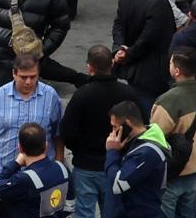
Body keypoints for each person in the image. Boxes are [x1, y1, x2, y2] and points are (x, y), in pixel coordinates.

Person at [58, 45, 143, 218]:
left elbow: (66, 130)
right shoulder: (128, 93)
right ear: (112, 63)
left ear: (89, 66)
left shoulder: (82, 95)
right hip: (117, 164)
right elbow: (141, 126)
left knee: (84, 212)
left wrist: (79, 149)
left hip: (85, 166)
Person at [0, 55, 65, 206]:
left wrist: (59, 159)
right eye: (23, 77)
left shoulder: (51, 96)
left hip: (40, 174)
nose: (28, 81)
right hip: (4, 172)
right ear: (14, 73)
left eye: (33, 77)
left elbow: (58, 132)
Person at [150, 46, 196, 218]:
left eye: (171, 63)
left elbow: (154, 140)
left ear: (177, 71)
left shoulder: (168, 100)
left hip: (171, 173)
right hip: (194, 169)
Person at [113, 0, 179, 97]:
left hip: (131, 72)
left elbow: (118, 25)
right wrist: (128, 54)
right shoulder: (159, 1)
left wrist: (119, 49)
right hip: (151, 76)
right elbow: (149, 39)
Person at [0, 120, 72, 218]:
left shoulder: (24, 179)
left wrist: (15, 164)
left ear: (20, 148)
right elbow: (70, 204)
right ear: (46, 146)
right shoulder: (62, 169)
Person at [104, 99, 170, 217]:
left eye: (115, 127)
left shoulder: (147, 153)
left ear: (128, 124)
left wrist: (112, 151)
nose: (112, 132)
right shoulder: (138, 140)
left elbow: (117, 184)